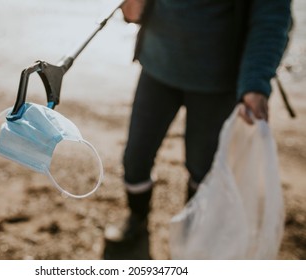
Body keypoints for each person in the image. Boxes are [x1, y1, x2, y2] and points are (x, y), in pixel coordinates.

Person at [103, 0, 292, 259]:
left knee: (201, 168)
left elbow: (272, 19)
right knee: (136, 156)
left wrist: (256, 83)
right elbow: (133, 11)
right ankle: (137, 218)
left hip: (217, 83)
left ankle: (193, 233)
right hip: (156, 67)